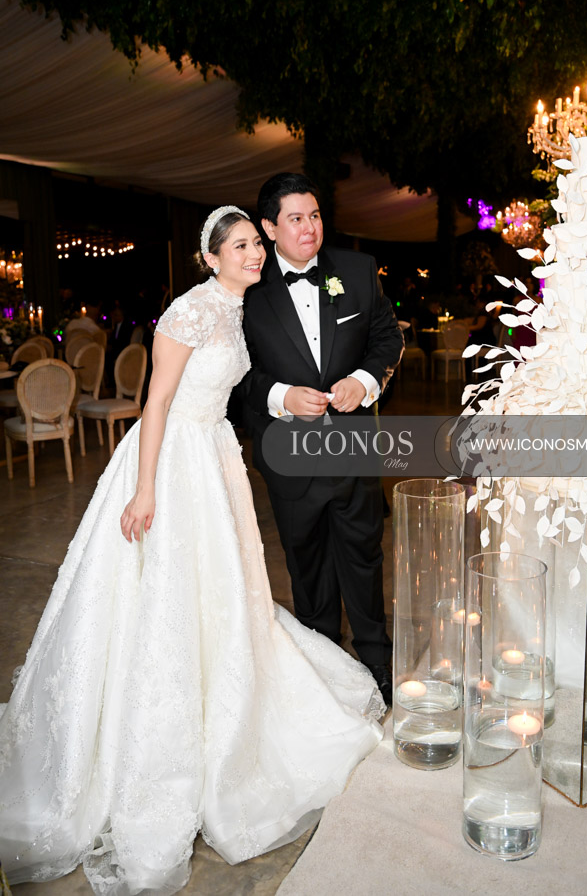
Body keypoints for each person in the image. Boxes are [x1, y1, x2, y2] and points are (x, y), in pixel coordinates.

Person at [0, 206, 384, 895]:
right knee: (164, 597)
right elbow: (156, 403)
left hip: (214, 457)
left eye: (253, 245)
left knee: (227, 594)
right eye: (239, 246)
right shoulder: (189, 312)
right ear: (210, 257)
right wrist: (144, 489)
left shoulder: (243, 308)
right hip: (171, 460)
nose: (253, 255)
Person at [240, 173, 403, 705]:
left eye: (314, 215)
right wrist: (281, 396)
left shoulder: (356, 271)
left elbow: (385, 337)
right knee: (307, 568)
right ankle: (322, 668)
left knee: (364, 558)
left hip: (353, 448)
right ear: (269, 228)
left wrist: (366, 380)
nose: (309, 228)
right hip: (288, 455)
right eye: (295, 218)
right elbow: (236, 375)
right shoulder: (246, 289)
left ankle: (378, 663)